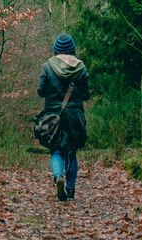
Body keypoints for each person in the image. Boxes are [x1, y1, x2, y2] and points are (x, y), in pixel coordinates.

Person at [36, 33, 91, 201]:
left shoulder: (47, 66)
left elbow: (41, 91)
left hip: (53, 116)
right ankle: (71, 189)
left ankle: (58, 176)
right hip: (75, 116)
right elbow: (87, 94)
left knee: (56, 149)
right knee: (72, 152)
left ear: (56, 49)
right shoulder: (81, 67)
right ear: (72, 48)